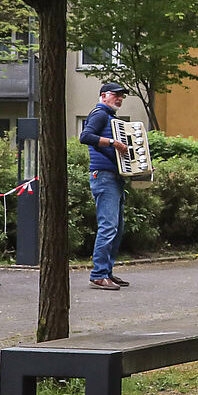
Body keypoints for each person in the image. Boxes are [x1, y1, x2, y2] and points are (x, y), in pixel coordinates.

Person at [78, 82, 133, 291]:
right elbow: (85, 136)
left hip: (114, 177)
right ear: (103, 96)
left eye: (122, 96)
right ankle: (99, 275)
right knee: (108, 227)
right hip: (104, 177)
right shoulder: (99, 114)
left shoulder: (112, 119)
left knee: (116, 229)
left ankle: (106, 272)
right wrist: (113, 143)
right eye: (115, 95)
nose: (119, 98)